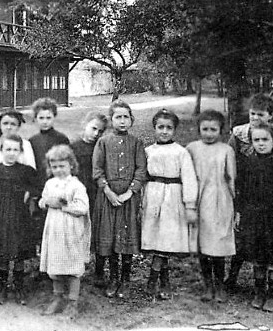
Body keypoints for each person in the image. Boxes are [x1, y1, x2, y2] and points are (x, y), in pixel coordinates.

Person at [225, 93, 273, 291]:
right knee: (241, 236)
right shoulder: (239, 134)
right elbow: (227, 156)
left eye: (260, 115)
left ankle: (266, 288)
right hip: (242, 186)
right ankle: (232, 278)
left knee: (260, 240)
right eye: (252, 114)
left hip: (267, 189)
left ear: (270, 116)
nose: (254, 119)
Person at [235, 121, 273, 312]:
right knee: (257, 255)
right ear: (251, 142)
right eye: (256, 140)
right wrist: (239, 212)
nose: (261, 144)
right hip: (253, 217)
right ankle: (259, 292)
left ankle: (272, 294)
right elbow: (242, 190)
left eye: (265, 139)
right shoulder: (248, 163)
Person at [141, 109, 199, 300]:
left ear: (174, 130)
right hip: (153, 195)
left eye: (169, 128)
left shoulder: (181, 152)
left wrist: (190, 205)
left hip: (172, 198)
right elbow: (141, 176)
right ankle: (163, 279)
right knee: (157, 239)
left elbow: (189, 179)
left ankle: (154, 277)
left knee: (166, 239)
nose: (164, 132)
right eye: (160, 127)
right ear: (154, 128)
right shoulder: (148, 151)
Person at [0, 134, 39, 305]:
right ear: (1, 151)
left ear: (20, 152)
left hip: (20, 215)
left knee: (19, 251)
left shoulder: (26, 171)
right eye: (8, 149)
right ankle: (1, 285)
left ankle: (19, 285)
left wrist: (29, 194)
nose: (11, 153)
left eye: (15, 150)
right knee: (1, 250)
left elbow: (36, 187)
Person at [93, 99, 147, 299]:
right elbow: (97, 170)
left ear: (131, 120)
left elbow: (141, 170)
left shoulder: (137, 143)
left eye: (126, 117)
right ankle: (113, 277)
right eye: (118, 117)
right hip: (109, 197)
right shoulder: (103, 142)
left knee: (126, 237)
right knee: (112, 238)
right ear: (111, 120)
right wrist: (107, 191)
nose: (122, 121)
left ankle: (125, 279)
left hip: (128, 199)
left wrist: (130, 192)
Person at [186, 109, 236, 303]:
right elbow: (187, 176)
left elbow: (231, 178)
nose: (208, 133)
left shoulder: (226, 150)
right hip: (199, 200)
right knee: (203, 246)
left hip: (220, 200)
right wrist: (189, 203)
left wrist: (234, 204)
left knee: (218, 245)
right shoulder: (191, 148)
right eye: (205, 129)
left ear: (221, 131)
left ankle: (220, 285)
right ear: (198, 129)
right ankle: (208, 285)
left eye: (213, 130)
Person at [38, 145, 91, 315]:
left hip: (70, 230)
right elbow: (43, 200)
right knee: (56, 264)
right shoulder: (50, 183)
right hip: (54, 230)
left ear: (71, 166)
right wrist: (45, 203)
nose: (58, 170)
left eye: (62, 166)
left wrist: (63, 206)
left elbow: (82, 208)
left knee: (72, 265)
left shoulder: (76, 185)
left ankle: (73, 301)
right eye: (54, 167)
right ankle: (57, 297)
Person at [70, 111, 107, 263]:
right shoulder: (73, 146)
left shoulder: (101, 148)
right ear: (85, 125)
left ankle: (97, 263)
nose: (96, 133)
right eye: (93, 128)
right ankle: (74, 261)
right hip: (78, 190)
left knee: (96, 225)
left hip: (95, 190)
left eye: (100, 131)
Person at [29, 97, 70, 186]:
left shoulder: (61, 139)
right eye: (41, 118)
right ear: (35, 118)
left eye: (48, 118)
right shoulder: (32, 141)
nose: (45, 122)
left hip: (57, 181)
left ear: (54, 117)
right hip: (38, 182)